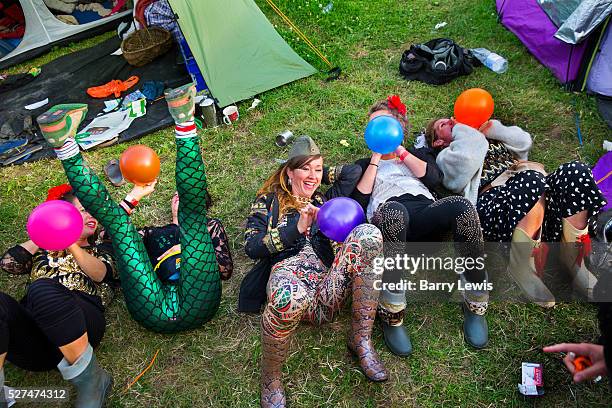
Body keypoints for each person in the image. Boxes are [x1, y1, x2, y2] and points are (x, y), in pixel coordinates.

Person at [34, 83, 221, 334]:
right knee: (189, 219)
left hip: (157, 308)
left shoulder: (211, 227)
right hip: (190, 302)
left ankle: (63, 143)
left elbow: (224, 265)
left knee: (167, 222)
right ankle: (184, 119)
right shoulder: (145, 235)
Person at [241, 135, 386, 408]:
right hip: (289, 287)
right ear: (289, 171)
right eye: (305, 168)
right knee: (289, 296)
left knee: (368, 234)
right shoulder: (269, 202)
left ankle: (361, 340)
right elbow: (251, 246)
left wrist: (317, 178)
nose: (313, 175)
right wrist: (296, 227)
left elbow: (352, 172)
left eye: (318, 169)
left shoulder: (326, 199)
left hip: (327, 290)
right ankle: (271, 380)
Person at [351, 95, 489, 356]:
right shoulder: (362, 165)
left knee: (462, 206)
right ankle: (392, 313)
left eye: (386, 123)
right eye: (374, 124)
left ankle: (475, 303)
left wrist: (401, 152)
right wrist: (376, 158)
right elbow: (359, 202)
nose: (380, 128)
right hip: (389, 218)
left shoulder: (418, 154)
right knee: (395, 211)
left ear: (400, 128)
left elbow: (436, 178)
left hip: (425, 213)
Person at [427, 117, 606, 306]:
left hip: (537, 197)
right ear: (437, 141)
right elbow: (469, 159)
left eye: (452, 120)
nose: (452, 122)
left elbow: (523, 142)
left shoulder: (484, 139)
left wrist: (492, 129)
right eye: (443, 124)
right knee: (532, 181)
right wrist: (464, 130)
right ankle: (522, 265)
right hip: (499, 210)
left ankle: (573, 259)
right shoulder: (446, 157)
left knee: (576, 171)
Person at [0, 184, 117, 407]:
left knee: (42, 288)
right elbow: (9, 264)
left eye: (94, 211)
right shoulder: (44, 249)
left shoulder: (103, 247)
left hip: (82, 323)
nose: (91, 215)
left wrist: (70, 240)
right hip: (35, 344)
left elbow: (101, 274)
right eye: (83, 210)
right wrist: (47, 230)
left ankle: (93, 381)